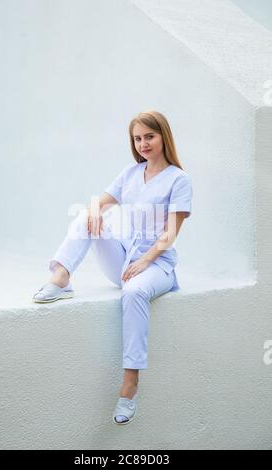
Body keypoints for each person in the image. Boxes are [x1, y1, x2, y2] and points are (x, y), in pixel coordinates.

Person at [32, 110, 193, 425]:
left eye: (150, 136)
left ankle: (130, 384)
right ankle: (61, 276)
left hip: (157, 265)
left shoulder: (178, 178)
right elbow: (102, 201)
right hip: (125, 260)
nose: (143, 143)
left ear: (163, 136)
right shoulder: (131, 173)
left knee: (133, 293)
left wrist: (145, 262)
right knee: (85, 215)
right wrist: (94, 210)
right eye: (138, 138)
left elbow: (172, 231)